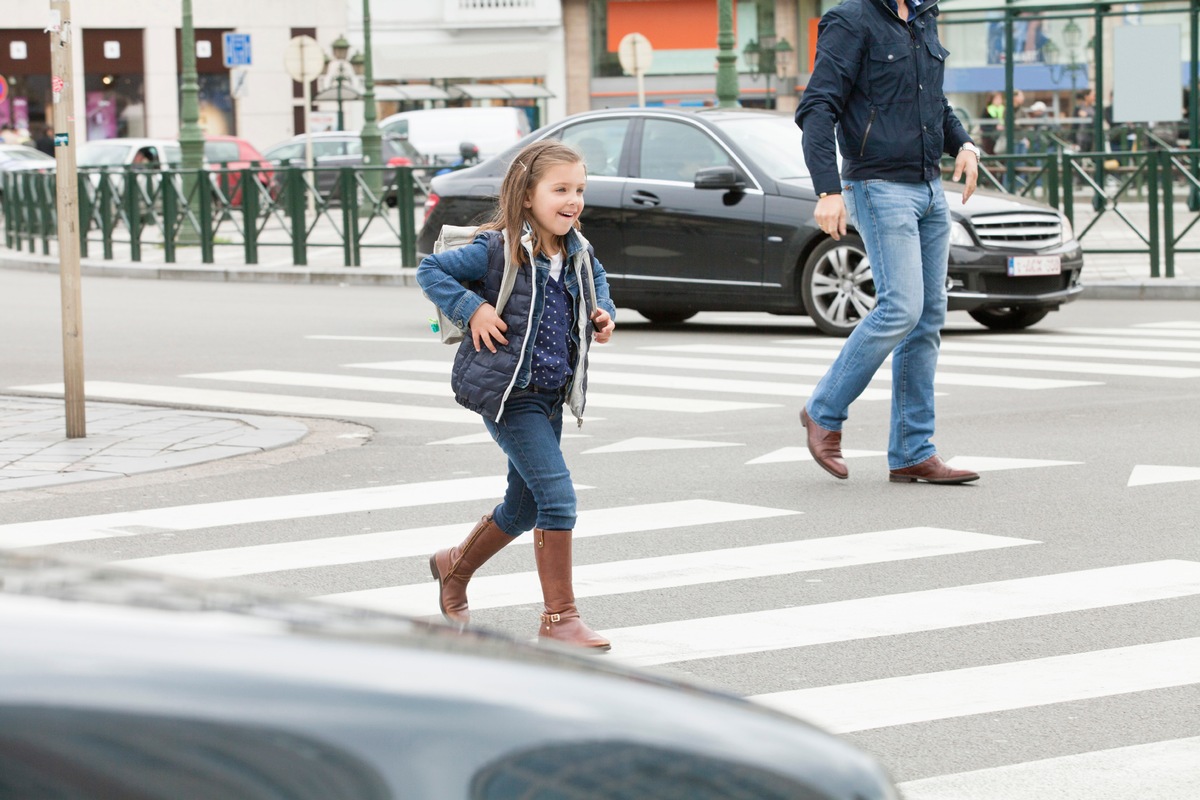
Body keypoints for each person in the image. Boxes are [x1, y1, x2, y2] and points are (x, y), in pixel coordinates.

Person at [416, 139, 617, 650]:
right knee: (557, 497)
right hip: (508, 394)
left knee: (524, 506)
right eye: (560, 190)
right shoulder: (497, 248)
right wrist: (472, 309)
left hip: (549, 392)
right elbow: (430, 270)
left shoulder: (577, 250)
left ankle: (453, 568)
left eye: (579, 190)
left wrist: (603, 311)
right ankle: (560, 619)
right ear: (527, 195)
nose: (573, 201)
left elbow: (596, 278)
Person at [795, 0, 980, 485]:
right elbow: (818, 106)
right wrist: (828, 189)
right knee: (900, 308)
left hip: (927, 188)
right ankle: (824, 411)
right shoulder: (851, 19)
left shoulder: (923, 17)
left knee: (927, 317)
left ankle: (913, 451)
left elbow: (932, 103)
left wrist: (962, 142)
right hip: (878, 187)